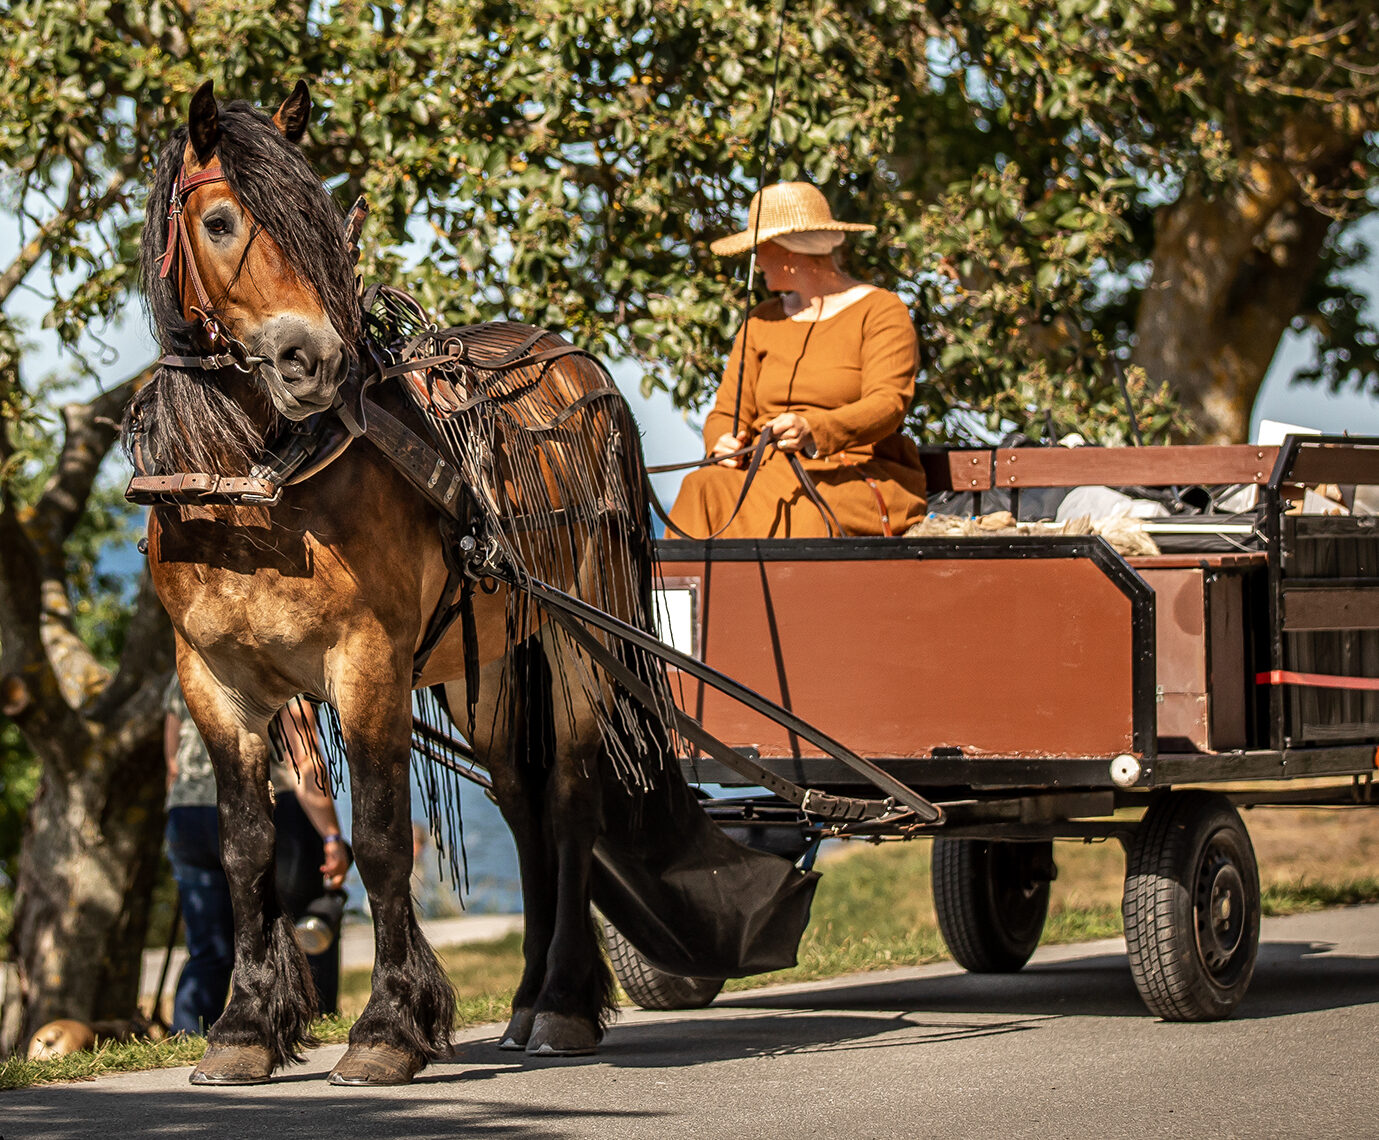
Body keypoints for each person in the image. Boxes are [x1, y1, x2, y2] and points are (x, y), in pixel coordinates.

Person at [669, 182, 928, 539]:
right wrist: (721, 442)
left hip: (853, 472)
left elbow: (888, 404)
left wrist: (813, 429)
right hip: (766, 471)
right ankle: (678, 595)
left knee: (801, 511)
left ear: (789, 253)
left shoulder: (881, 310)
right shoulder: (761, 319)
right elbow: (727, 411)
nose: (756, 263)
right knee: (702, 487)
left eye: (760, 249)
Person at [163, 684, 350, 1036]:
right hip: (264, 802)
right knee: (305, 921)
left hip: (187, 812)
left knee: (209, 946)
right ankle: (314, 1019)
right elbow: (303, 760)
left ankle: (188, 1033)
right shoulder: (277, 661)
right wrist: (331, 836)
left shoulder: (187, 668)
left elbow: (173, 763)